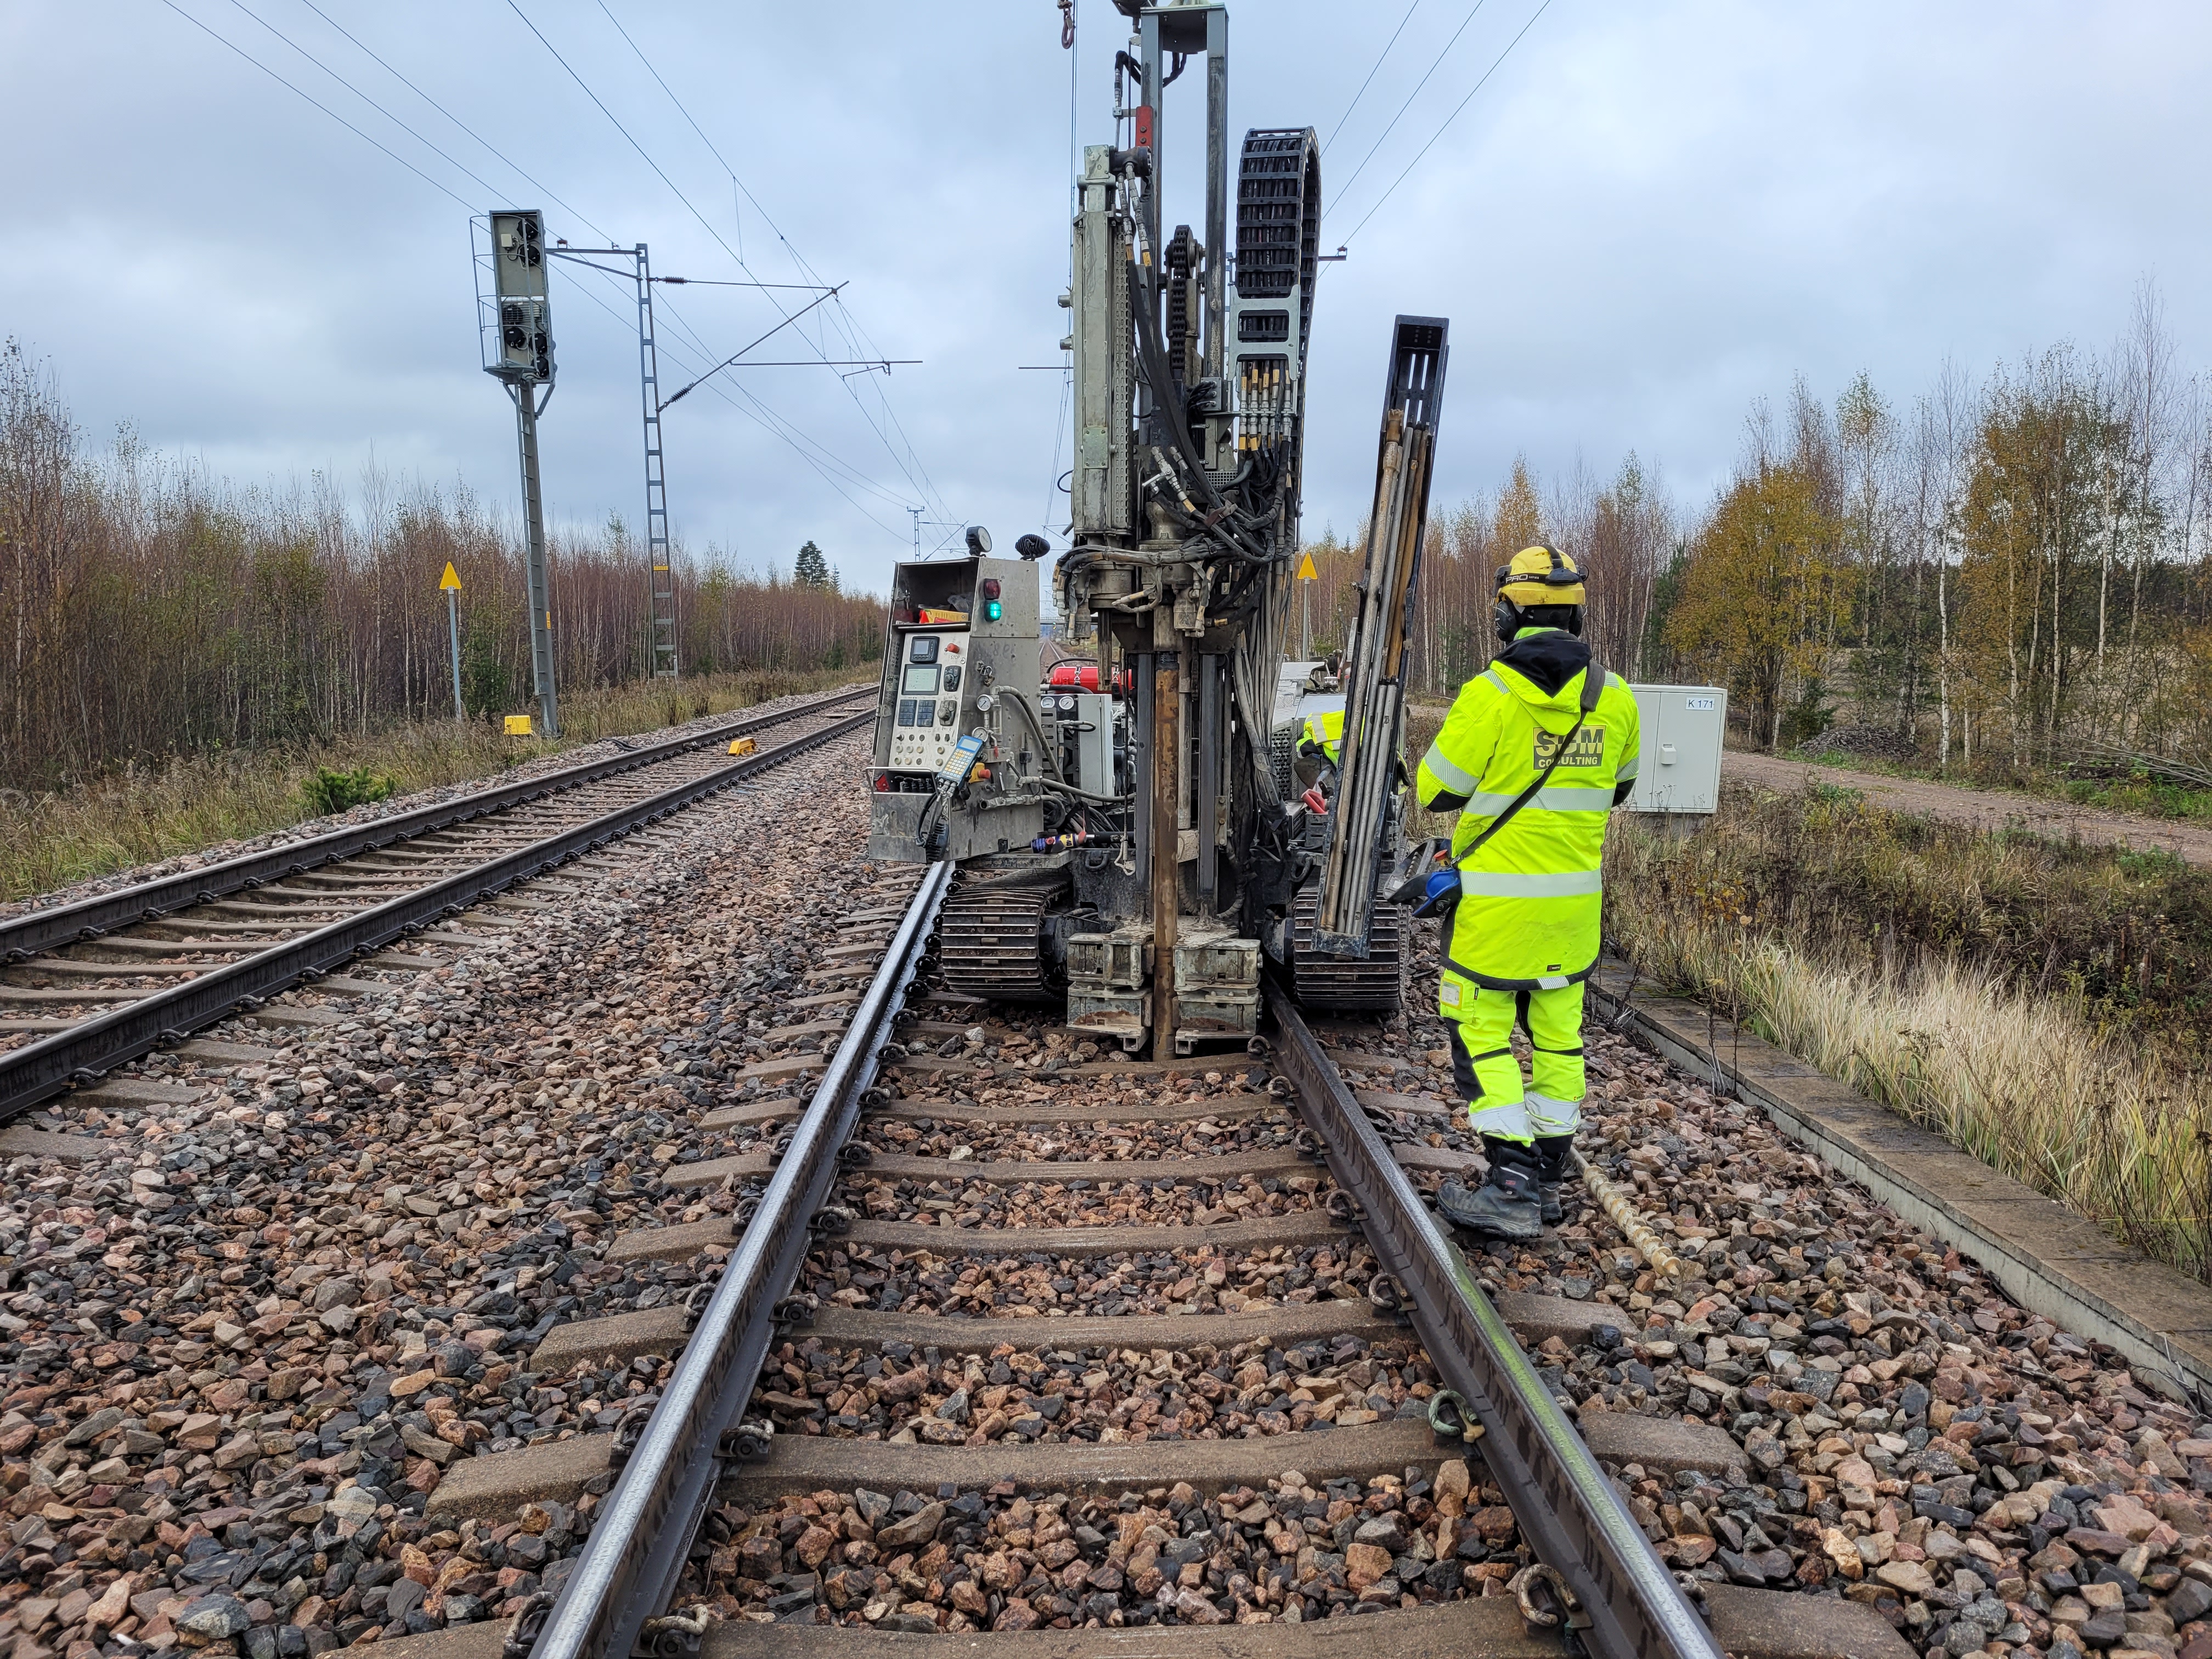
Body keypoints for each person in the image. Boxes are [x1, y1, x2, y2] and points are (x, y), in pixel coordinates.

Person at [1413, 545, 1641, 1240]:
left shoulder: (1492, 695)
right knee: (1559, 1041)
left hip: (1496, 914)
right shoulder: (1617, 697)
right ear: (1576, 614)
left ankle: (1509, 1181)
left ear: (1508, 613)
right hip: (1571, 918)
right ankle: (1544, 1178)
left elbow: (1435, 790)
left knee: (1481, 1034)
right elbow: (1620, 789)